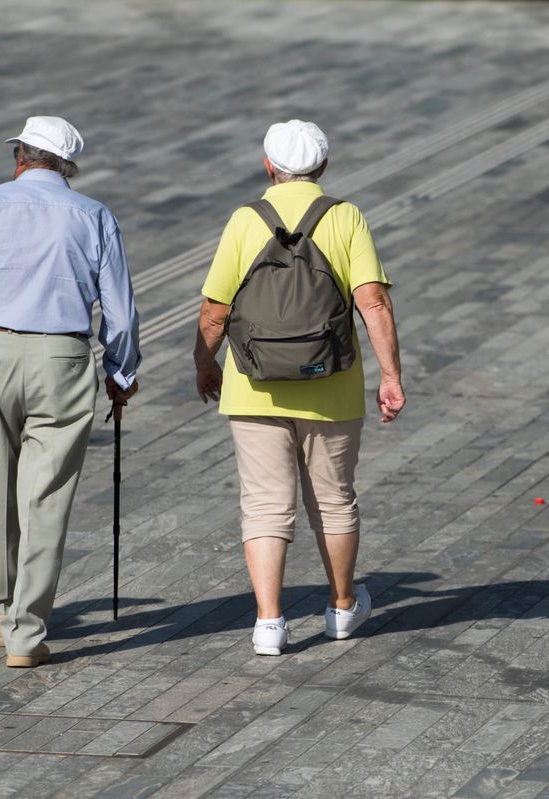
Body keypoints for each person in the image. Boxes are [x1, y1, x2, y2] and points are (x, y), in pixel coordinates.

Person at [0, 116, 141, 668]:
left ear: (19, 156)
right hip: (61, 357)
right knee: (45, 498)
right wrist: (121, 372)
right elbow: (118, 313)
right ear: (67, 166)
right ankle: (25, 635)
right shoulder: (94, 215)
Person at [193, 119, 404, 656]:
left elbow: (215, 310)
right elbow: (373, 301)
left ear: (269, 166)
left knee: (264, 505)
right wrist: (391, 376)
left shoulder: (245, 220)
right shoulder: (345, 216)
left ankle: (269, 622)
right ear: (324, 167)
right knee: (334, 501)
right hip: (331, 383)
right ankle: (340, 608)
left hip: (253, 384)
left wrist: (204, 364)